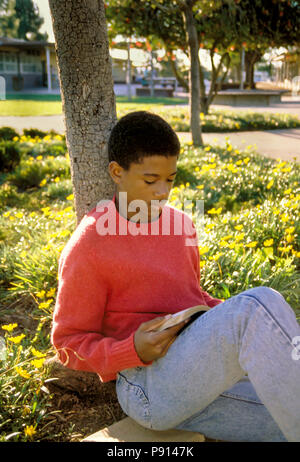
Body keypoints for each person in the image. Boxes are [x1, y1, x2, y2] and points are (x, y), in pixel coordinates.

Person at [51, 111, 300, 442]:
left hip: (200, 382)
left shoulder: (181, 225)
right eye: (150, 180)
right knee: (261, 302)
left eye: (171, 179)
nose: (162, 192)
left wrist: (231, 318)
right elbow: (68, 343)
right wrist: (132, 349)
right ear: (116, 172)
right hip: (147, 389)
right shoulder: (91, 242)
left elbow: (193, 297)